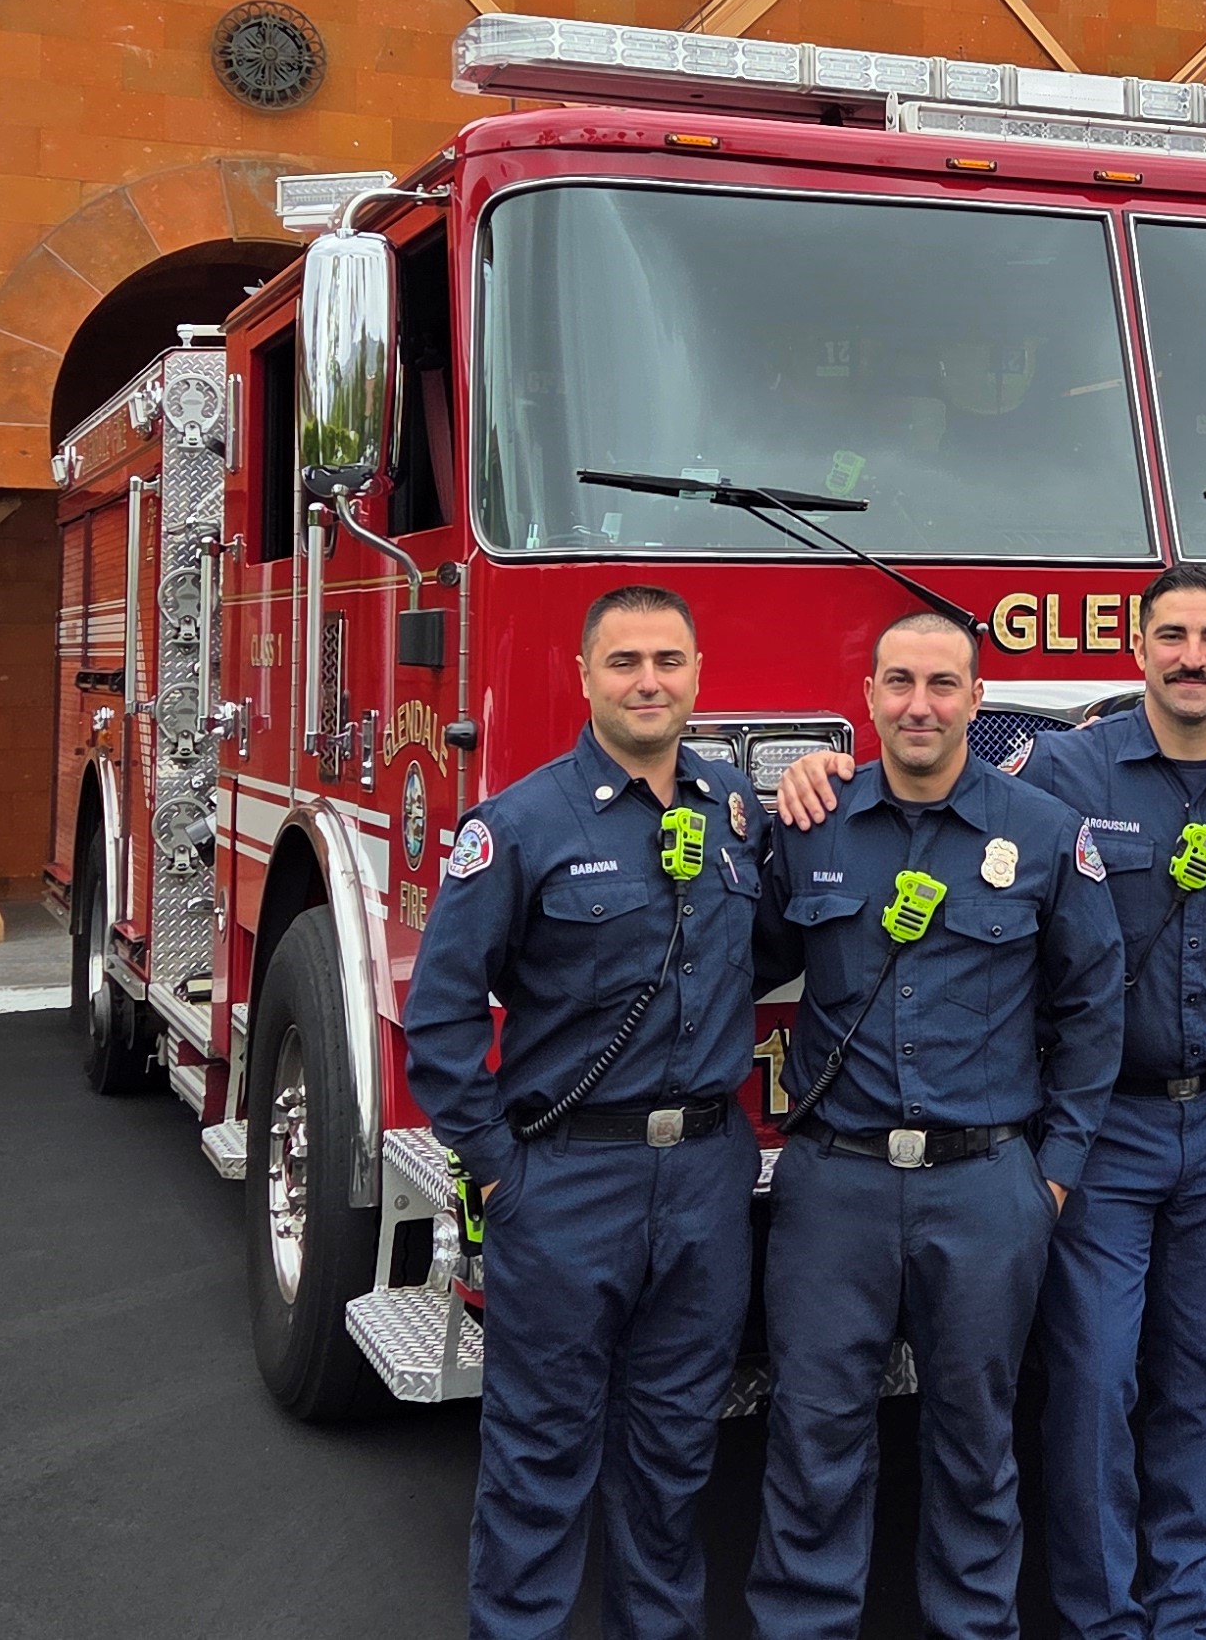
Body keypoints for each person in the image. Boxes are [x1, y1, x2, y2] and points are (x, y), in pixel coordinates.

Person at [775, 564, 1206, 1640]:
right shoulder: (1062, 773)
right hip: (1101, 1131)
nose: (1192, 654)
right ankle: (1101, 1621)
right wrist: (812, 771)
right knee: (1089, 1386)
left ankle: (1186, 1619)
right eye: (1172, 633)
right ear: (1139, 647)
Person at [402, 586, 783, 1640]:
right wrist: (498, 1168)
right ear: (584, 675)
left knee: (671, 1460)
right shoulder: (518, 826)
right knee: (540, 1460)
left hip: (705, 1177)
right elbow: (436, 1017)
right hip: (564, 1181)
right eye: (624, 661)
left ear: (699, 673)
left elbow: (774, 947)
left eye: (668, 659)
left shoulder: (730, 810)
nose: (648, 680)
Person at [748, 608, 1124, 1640]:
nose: (920, 704)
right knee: (813, 1439)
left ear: (974, 698)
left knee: (973, 1443)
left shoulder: (1043, 833)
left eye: (943, 684)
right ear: (867, 696)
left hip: (987, 1187)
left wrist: (1052, 1172)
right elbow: (731, 959)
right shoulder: (809, 820)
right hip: (836, 1186)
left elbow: (1095, 1007)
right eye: (900, 682)